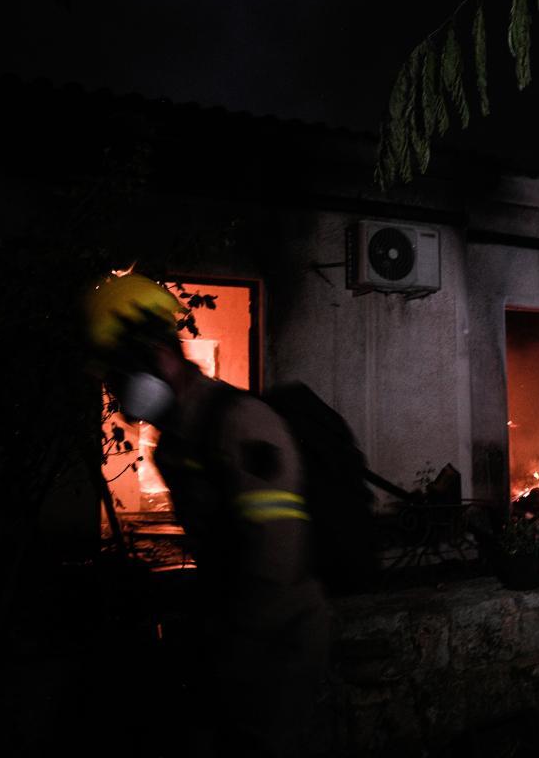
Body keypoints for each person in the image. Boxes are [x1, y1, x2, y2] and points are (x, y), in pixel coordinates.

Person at [85, 272, 329, 757]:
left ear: (157, 355)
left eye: (118, 373)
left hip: (277, 650)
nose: (116, 389)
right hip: (236, 643)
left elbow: (276, 561)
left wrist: (227, 655)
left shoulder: (239, 423)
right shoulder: (177, 441)